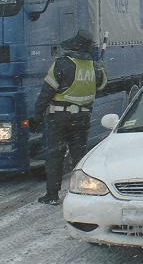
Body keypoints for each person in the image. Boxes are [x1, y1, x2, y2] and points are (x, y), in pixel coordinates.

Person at [32, 29, 107, 205]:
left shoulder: (62, 64)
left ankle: (52, 195)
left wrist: (37, 115)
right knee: (80, 156)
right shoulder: (94, 67)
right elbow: (102, 86)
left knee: (55, 156)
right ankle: (85, 192)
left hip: (59, 118)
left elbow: (46, 93)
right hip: (82, 119)